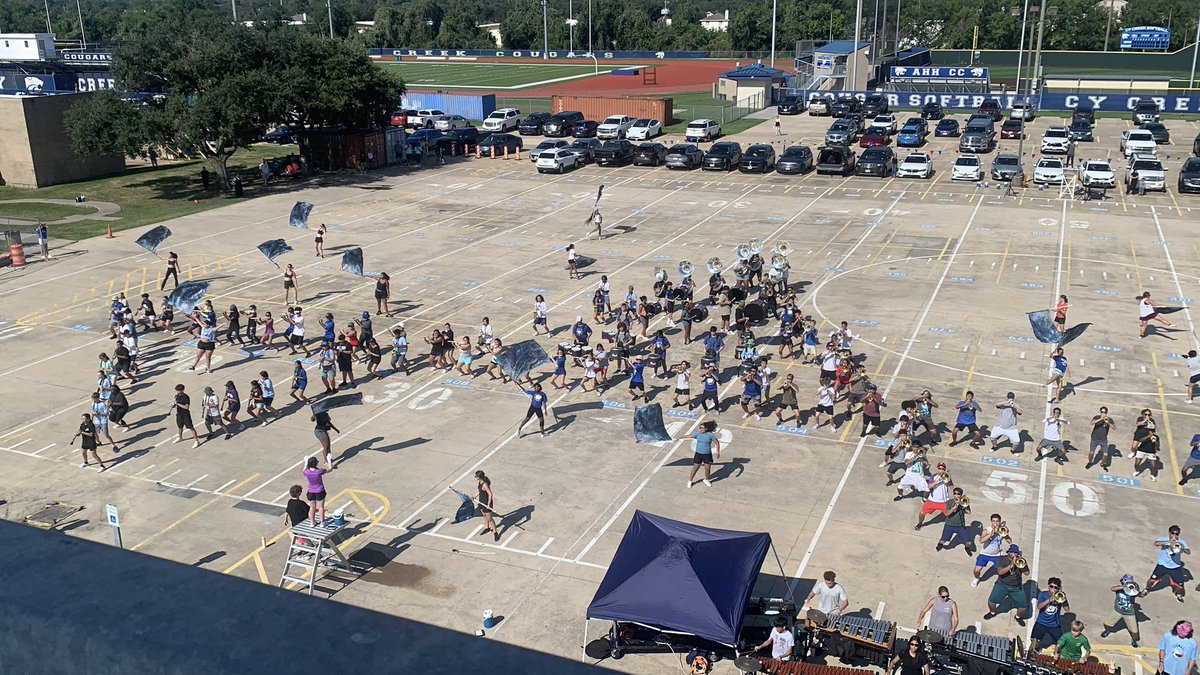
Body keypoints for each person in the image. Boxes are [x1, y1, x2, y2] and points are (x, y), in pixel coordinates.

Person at [984, 544, 1029, 626]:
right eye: (1012, 552)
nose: (1014, 554)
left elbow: (1027, 573)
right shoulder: (1002, 559)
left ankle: (1018, 617)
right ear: (1008, 552)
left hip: (1016, 587)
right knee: (992, 601)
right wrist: (1011, 565)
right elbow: (1000, 572)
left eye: (1015, 553)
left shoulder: (1021, 561)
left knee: (1023, 607)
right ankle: (992, 613)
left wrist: (1022, 566)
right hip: (1002, 585)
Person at [1146, 525, 1189, 602]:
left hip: (1175, 567)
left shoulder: (1182, 542)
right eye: (1173, 533)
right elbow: (1156, 543)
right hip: (1162, 565)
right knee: (1152, 580)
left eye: (1177, 534)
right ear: (1169, 533)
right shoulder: (1163, 539)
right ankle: (1147, 589)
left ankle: (1177, 593)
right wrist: (1169, 542)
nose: (1174, 535)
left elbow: (1188, 552)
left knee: (1180, 587)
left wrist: (1182, 548)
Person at [1102, 575, 1146, 647]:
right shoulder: (1119, 589)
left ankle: (1134, 640)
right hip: (1117, 611)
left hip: (1129, 613)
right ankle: (1107, 631)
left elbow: (1141, 595)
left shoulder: (1133, 591)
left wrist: (1144, 592)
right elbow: (1112, 589)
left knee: (1134, 631)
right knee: (1107, 624)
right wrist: (1124, 587)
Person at [1030, 577, 1070, 652]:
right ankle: (1036, 650)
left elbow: (1067, 609)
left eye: (1056, 588)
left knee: (1061, 643)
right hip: (1041, 622)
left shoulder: (1061, 596)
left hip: (1054, 625)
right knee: (1034, 641)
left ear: (1059, 588)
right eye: (1051, 586)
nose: (1053, 589)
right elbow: (1039, 607)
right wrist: (1049, 600)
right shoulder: (1043, 595)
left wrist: (1063, 600)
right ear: (1048, 586)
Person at [936, 488, 974, 555]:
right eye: (955, 493)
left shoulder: (964, 502)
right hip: (949, 525)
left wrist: (964, 505)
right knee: (943, 540)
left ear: (961, 495)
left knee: (969, 543)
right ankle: (940, 544)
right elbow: (947, 514)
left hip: (960, 526)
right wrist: (955, 506)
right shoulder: (949, 502)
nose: (956, 495)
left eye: (958, 494)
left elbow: (969, 512)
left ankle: (966, 548)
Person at [972, 513, 1007, 586]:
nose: (995, 523)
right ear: (991, 521)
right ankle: (976, 578)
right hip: (985, 554)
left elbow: (1010, 541)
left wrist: (1005, 535)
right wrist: (991, 534)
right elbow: (981, 541)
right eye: (993, 521)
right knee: (976, 570)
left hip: (997, 554)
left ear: (1000, 522)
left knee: (1001, 572)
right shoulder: (986, 530)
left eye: (997, 521)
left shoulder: (1002, 530)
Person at [686, 421, 720, 488]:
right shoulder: (698, 434)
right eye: (700, 428)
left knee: (707, 468)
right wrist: (679, 438)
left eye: (702, 428)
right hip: (698, 454)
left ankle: (706, 480)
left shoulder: (710, 435)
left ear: (706, 429)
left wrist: (717, 451)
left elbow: (717, 442)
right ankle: (690, 481)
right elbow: (689, 436)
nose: (700, 429)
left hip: (707, 455)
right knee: (695, 468)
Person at [302, 456, 332, 525]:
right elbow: (330, 469)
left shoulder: (307, 472)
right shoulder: (319, 471)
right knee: (321, 507)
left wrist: (305, 463)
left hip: (310, 491)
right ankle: (322, 522)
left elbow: (303, 471)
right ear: (316, 464)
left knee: (312, 507)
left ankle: (312, 522)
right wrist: (329, 460)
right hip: (320, 491)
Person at [282, 485, 311, 552]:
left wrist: (285, 519)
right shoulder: (301, 503)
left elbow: (287, 510)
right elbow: (310, 510)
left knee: (301, 537)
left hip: (294, 524)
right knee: (302, 537)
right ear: (299, 493)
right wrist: (320, 510)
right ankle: (300, 553)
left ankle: (310, 546)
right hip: (302, 524)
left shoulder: (290, 501)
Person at [1088, 406, 1116, 471]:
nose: (1103, 413)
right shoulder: (1097, 417)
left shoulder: (1109, 419)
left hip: (1103, 440)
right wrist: (1101, 419)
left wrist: (1107, 422)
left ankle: (1102, 464)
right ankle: (1090, 462)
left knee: (1105, 454)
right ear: (1100, 412)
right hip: (1094, 439)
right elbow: (1091, 423)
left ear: (1107, 413)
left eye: (1105, 412)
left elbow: (1114, 428)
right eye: (1102, 412)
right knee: (1091, 452)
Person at [476, 470, 499, 542]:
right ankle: (487, 528)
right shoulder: (480, 482)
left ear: (479, 477)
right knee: (484, 516)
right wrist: (475, 496)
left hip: (486, 503)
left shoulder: (485, 484)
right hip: (481, 502)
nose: (475, 477)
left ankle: (495, 532)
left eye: (476, 476)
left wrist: (488, 504)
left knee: (490, 518)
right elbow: (480, 491)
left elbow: (490, 494)